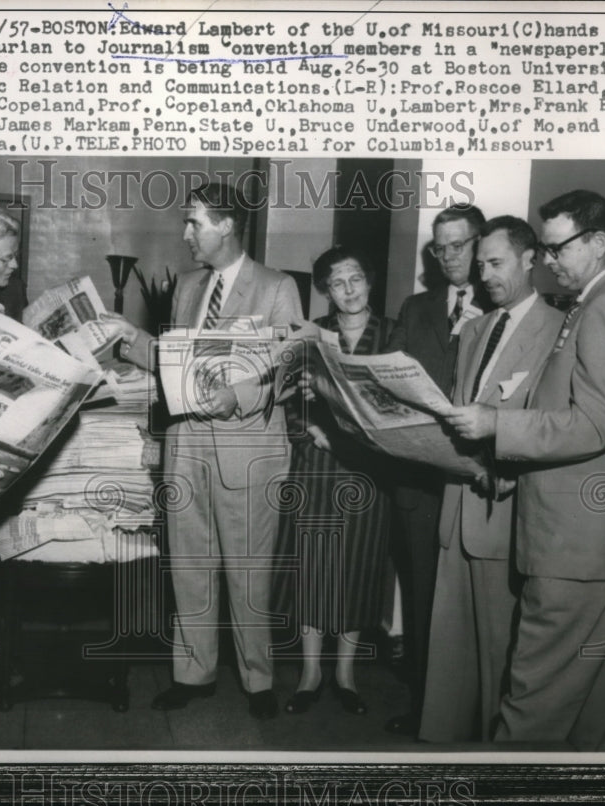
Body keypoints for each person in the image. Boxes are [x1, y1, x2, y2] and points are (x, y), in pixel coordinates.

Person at [447, 190, 605, 750]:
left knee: (529, 711)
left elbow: (595, 425)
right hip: (589, 540)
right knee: (587, 720)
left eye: (557, 247)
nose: (549, 259)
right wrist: (520, 467)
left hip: (575, 544)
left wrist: (499, 425)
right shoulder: (598, 301)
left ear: (597, 242)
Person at [103, 182, 303, 720]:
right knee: (189, 564)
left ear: (227, 225)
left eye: (194, 222)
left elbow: (288, 373)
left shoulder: (277, 287)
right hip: (186, 445)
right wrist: (126, 338)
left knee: (248, 567)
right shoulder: (188, 287)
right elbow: (174, 363)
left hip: (248, 448)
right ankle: (193, 674)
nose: (185, 233)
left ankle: (258, 681)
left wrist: (235, 395)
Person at [419, 216, 564, 742]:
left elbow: (555, 425)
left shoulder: (559, 329)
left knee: (504, 654)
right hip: (458, 502)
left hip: (505, 508)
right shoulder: (477, 327)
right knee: (450, 652)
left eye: (496, 263)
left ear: (531, 260)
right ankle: (445, 760)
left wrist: (502, 465)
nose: (484, 275)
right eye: (480, 265)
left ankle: (495, 761)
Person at [274, 246, 396, 716]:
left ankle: (345, 673)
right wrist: (311, 430)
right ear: (325, 289)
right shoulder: (312, 336)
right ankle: (310, 672)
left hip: (368, 471)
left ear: (369, 281)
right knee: (313, 568)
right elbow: (287, 404)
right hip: (317, 467)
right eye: (338, 283)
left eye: (356, 279)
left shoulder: (391, 335)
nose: (349, 290)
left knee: (356, 569)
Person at [384, 204, 489, 734]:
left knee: (479, 604)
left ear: (480, 242)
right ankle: (426, 708)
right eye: (439, 247)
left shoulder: (502, 304)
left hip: (480, 480)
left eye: (458, 245)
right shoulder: (417, 305)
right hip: (421, 480)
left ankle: (479, 717)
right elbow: (391, 380)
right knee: (423, 599)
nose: (448, 257)